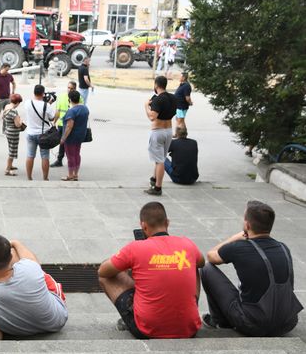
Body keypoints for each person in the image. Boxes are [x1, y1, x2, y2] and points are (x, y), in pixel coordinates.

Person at [98, 202, 204, 339]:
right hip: (189, 329)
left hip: (146, 330)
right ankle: (186, 314)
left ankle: (132, 316)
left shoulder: (135, 248)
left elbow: (103, 271)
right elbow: (201, 262)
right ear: (167, 223)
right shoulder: (187, 244)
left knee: (108, 275)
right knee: (194, 264)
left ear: (143, 226)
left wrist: (131, 265)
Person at [201, 201, 303, 336]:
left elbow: (210, 256)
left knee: (207, 269)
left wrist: (234, 238)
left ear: (247, 225)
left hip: (253, 324)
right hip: (287, 322)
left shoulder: (238, 248)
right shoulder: (284, 248)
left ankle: (219, 321)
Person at [0, 235, 68, 340]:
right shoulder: (31, 268)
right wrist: (15, 243)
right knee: (33, 268)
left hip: (18, 333)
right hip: (57, 321)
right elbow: (31, 260)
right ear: (10, 258)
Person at [144, 76, 177, 196]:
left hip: (158, 131)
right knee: (161, 158)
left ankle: (157, 187)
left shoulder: (158, 100)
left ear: (156, 85)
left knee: (159, 161)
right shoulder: (173, 98)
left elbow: (152, 117)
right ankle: (154, 179)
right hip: (168, 130)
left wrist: (146, 106)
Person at [25, 84, 56, 181]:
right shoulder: (46, 105)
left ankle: (29, 177)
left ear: (34, 92)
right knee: (45, 156)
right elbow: (52, 118)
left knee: (30, 155)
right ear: (43, 94)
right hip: (44, 135)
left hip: (30, 133)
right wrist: (49, 103)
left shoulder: (27, 103)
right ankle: (45, 178)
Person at [59, 90, 89, 181]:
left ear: (70, 99)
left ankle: (70, 175)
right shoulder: (85, 109)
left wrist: (63, 138)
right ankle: (76, 174)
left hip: (71, 137)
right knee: (77, 154)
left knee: (70, 156)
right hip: (81, 135)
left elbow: (69, 126)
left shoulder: (72, 111)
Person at [52, 81, 77, 168]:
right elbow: (58, 111)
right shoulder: (61, 97)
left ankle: (71, 160)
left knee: (70, 143)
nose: (69, 90)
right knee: (62, 142)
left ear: (75, 89)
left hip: (72, 124)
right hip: (61, 124)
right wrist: (54, 121)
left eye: (72, 88)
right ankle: (60, 160)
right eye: (68, 88)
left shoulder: (78, 98)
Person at [1, 93, 23, 176]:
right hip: (13, 133)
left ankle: (10, 165)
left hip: (8, 131)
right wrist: (20, 121)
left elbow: (2, 117)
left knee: (11, 149)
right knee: (12, 152)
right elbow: (18, 124)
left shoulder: (7, 107)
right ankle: (7, 169)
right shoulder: (14, 111)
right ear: (17, 102)